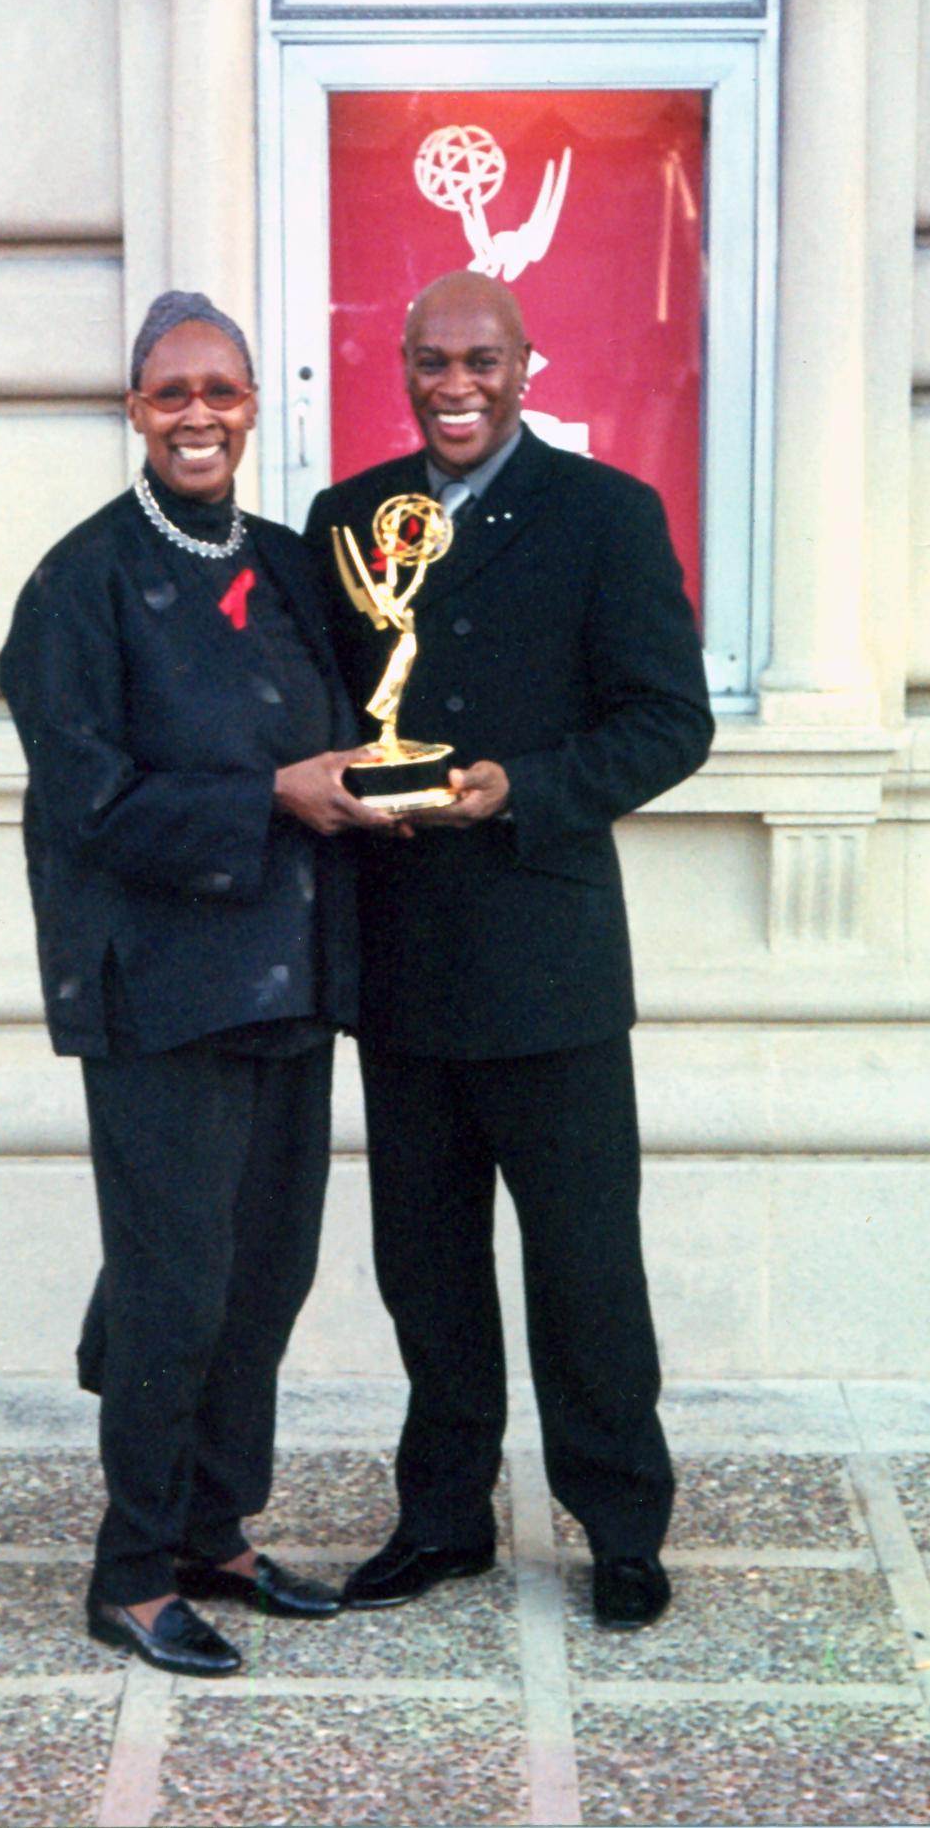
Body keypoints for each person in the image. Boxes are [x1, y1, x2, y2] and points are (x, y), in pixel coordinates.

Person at [305, 270, 714, 1631]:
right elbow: (319, 709)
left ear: (527, 365)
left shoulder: (607, 514)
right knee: (425, 1268)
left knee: (588, 1268)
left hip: (551, 968)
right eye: (429, 357)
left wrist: (519, 783)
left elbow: (669, 721)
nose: (453, 380)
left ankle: (624, 1529)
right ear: (402, 366)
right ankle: (441, 1520)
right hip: (403, 962)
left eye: (480, 356)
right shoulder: (350, 521)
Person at [0, 290, 392, 1678]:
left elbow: (347, 727)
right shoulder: (76, 583)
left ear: (250, 406)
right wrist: (274, 793)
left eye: (220, 390)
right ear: (134, 410)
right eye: (171, 392)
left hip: (291, 973)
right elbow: (89, 799)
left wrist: (380, 785)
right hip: (160, 985)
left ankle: (215, 1528)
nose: (199, 414)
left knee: (266, 1274)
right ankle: (130, 1569)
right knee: (173, 1287)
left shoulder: (288, 567)